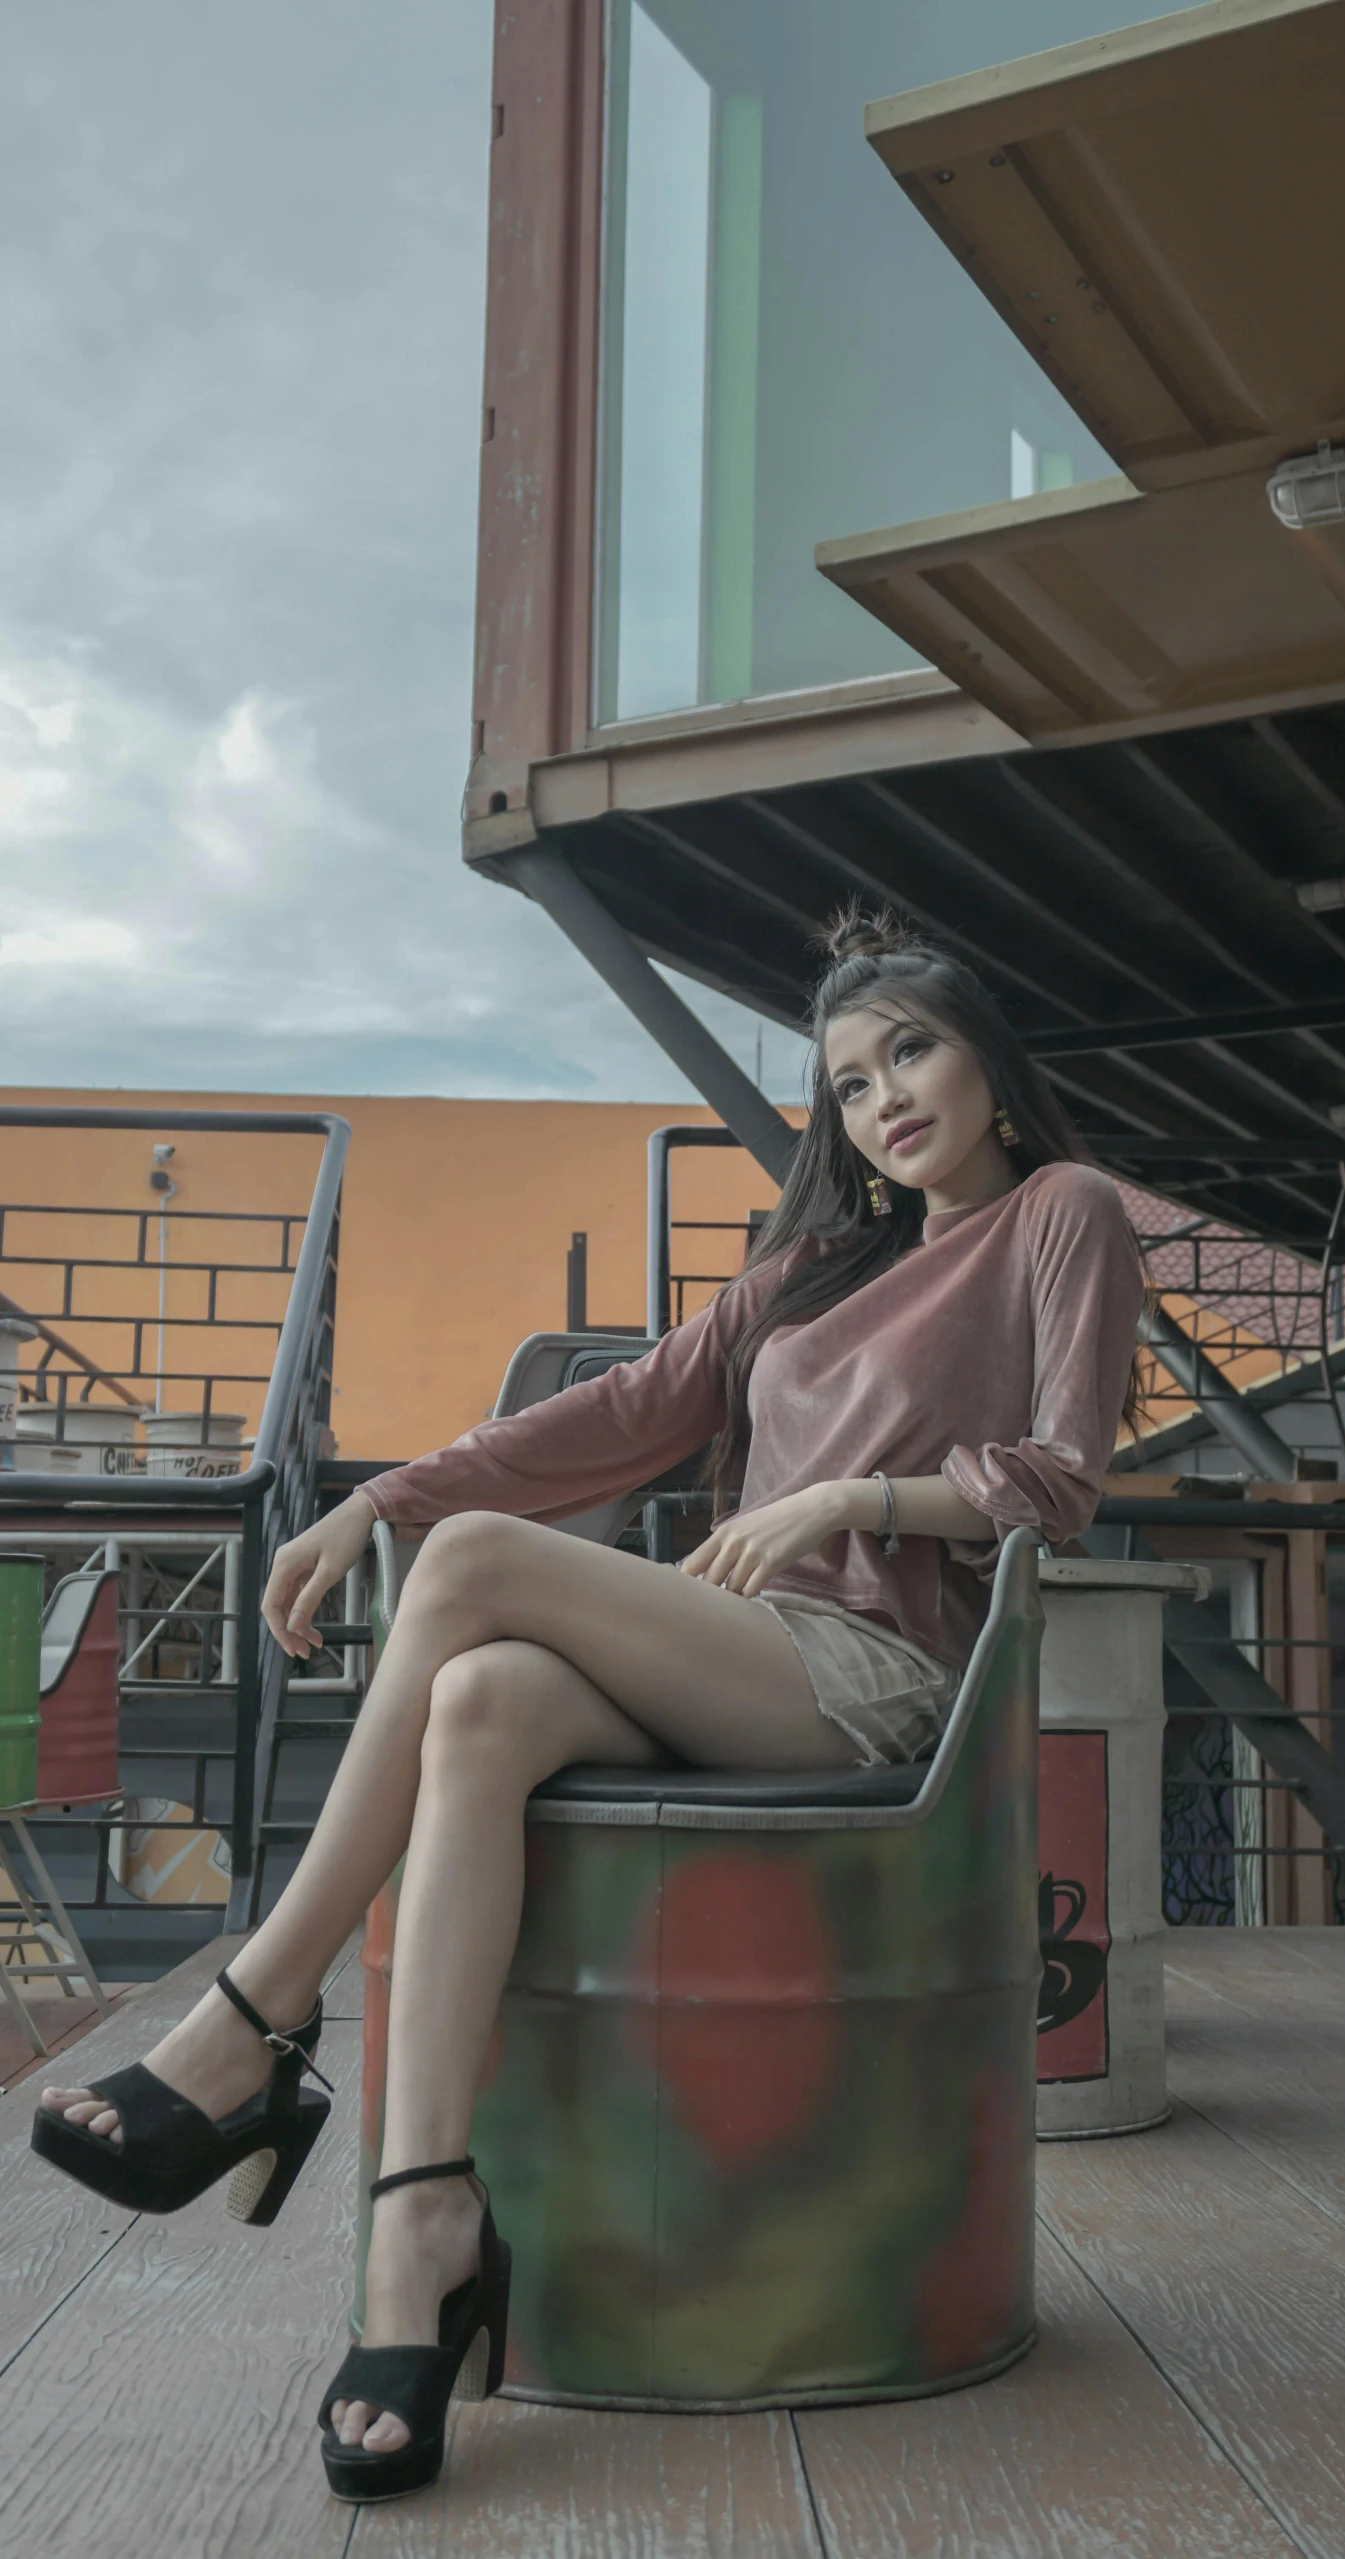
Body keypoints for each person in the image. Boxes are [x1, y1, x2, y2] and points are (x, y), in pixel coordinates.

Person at [31, 908, 1147, 2501]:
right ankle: (421, 2224)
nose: (883, 1097)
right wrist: (380, 1497)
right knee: (479, 1695)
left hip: (879, 1680)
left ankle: (256, 2018)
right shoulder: (811, 1273)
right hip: (739, 1650)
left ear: (986, 1062)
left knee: (480, 1567)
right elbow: (616, 1414)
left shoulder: (1063, 1212)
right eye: (845, 1082)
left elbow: (1061, 1480)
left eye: (912, 1048)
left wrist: (852, 1503)